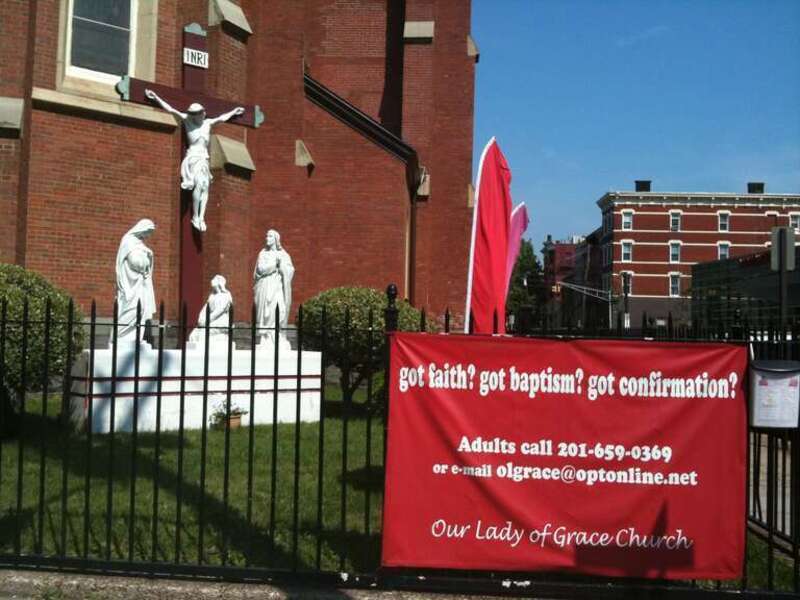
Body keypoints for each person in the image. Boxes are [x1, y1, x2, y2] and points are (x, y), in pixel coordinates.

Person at [144, 89, 245, 232]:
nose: (198, 116)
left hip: (204, 159)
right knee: (198, 184)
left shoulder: (207, 123)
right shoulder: (187, 120)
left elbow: (222, 118)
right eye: (195, 114)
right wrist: (155, 97)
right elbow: (171, 109)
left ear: (202, 113)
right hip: (193, 158)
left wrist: (234, 111)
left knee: (205, 186)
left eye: (199, 113)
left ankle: (201, 216)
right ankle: (195, 216)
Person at [115, 219, 157, 341]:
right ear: (142, 229)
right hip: (131, 286)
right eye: (148, 232)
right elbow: (135, 262)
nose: (149, 236)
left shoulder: (139, 243)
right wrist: (145, 258)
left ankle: (135, 338)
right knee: (133, 309)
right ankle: (119, 336)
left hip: (140, 284)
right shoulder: (128, 241)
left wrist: (148, 255)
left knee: (141, 309)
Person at [253, 230, 294, 346]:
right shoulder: (263, 253)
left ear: (276, 239)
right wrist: (274, 265)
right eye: (266, 236)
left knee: (279, 309)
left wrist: (281, 268)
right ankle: (266, 337)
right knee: (266, 310)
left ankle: (277, 334)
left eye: (270, 236)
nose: (267, 238)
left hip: (277, 287)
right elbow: (260, 269)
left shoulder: (283, 255)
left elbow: (290, 270)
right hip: (265, 285)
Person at [189, 275, 234, 346]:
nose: (212, 280)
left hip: (221, 321)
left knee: (202, 333)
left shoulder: (226, 295)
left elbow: (220, 310)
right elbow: (205, 308)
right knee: (193, 334)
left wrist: (207, 320)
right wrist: (201, 319)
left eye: (215, 279)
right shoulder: (212, 296)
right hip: (210, 320)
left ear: (220, 283)